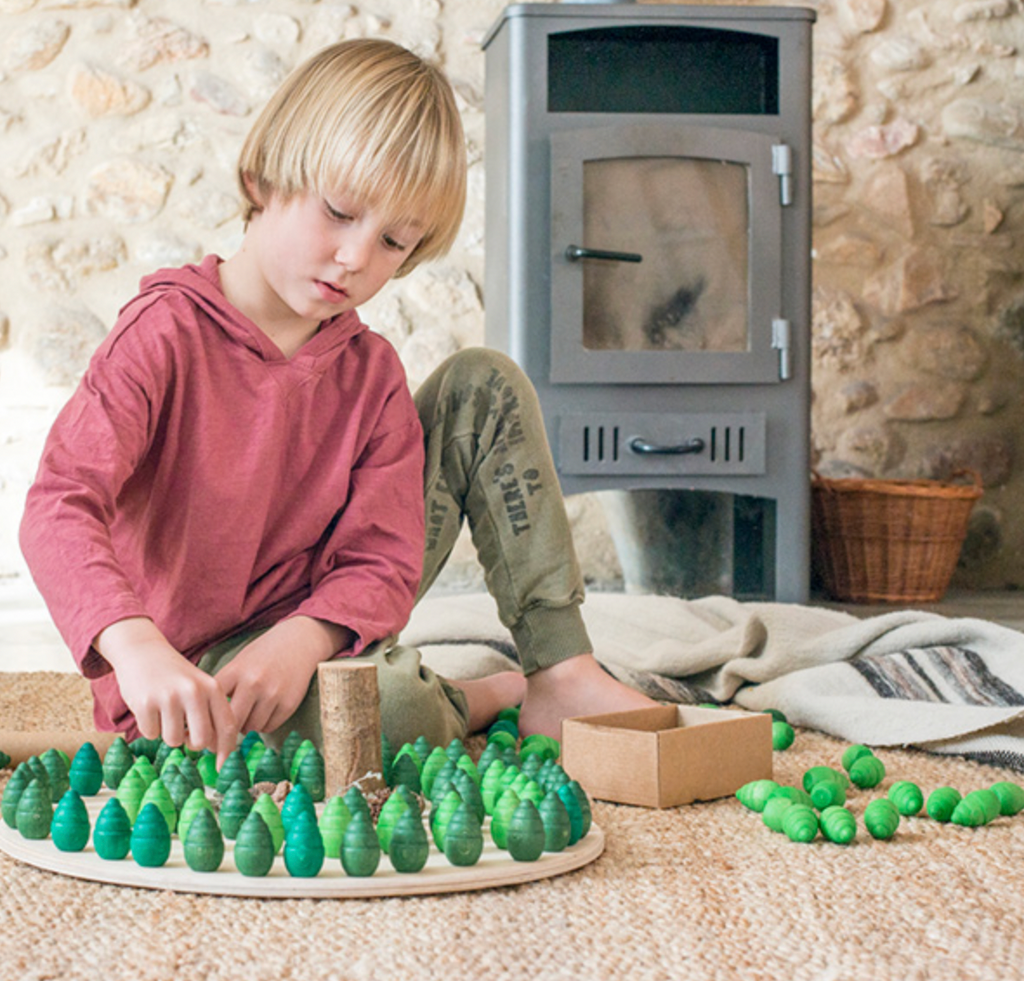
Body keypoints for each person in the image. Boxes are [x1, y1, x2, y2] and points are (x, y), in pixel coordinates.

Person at [20, 38, 654, 765]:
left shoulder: (371, 372)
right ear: (263, 179)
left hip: (329, 628)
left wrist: (308, 635)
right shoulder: (164, 333)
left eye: (392, 241)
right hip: (193, 672)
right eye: (340, 211)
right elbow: (58, 503)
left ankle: (560, 674)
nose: (356, 257)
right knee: (387, 714)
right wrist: (134, 646)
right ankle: (467, 696)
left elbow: (382, 560)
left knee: (484, 381)